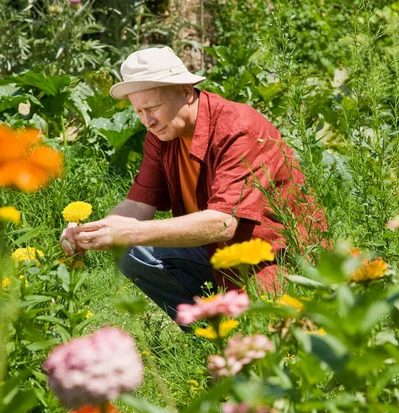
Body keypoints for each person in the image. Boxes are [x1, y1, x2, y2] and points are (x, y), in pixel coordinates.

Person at [61, 46, 327, 323]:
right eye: (139, 111)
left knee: (269, 333)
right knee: (133, 254)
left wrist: (130, 231)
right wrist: (95, 231)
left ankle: (229, 330)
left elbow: (224, 223)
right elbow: (140, 203)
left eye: (152, 108)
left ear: (186, 91)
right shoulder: (163, 133)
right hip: (217, 254)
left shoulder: (238, 128)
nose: (147, 121)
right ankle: (208, 334)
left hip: (273, 259)